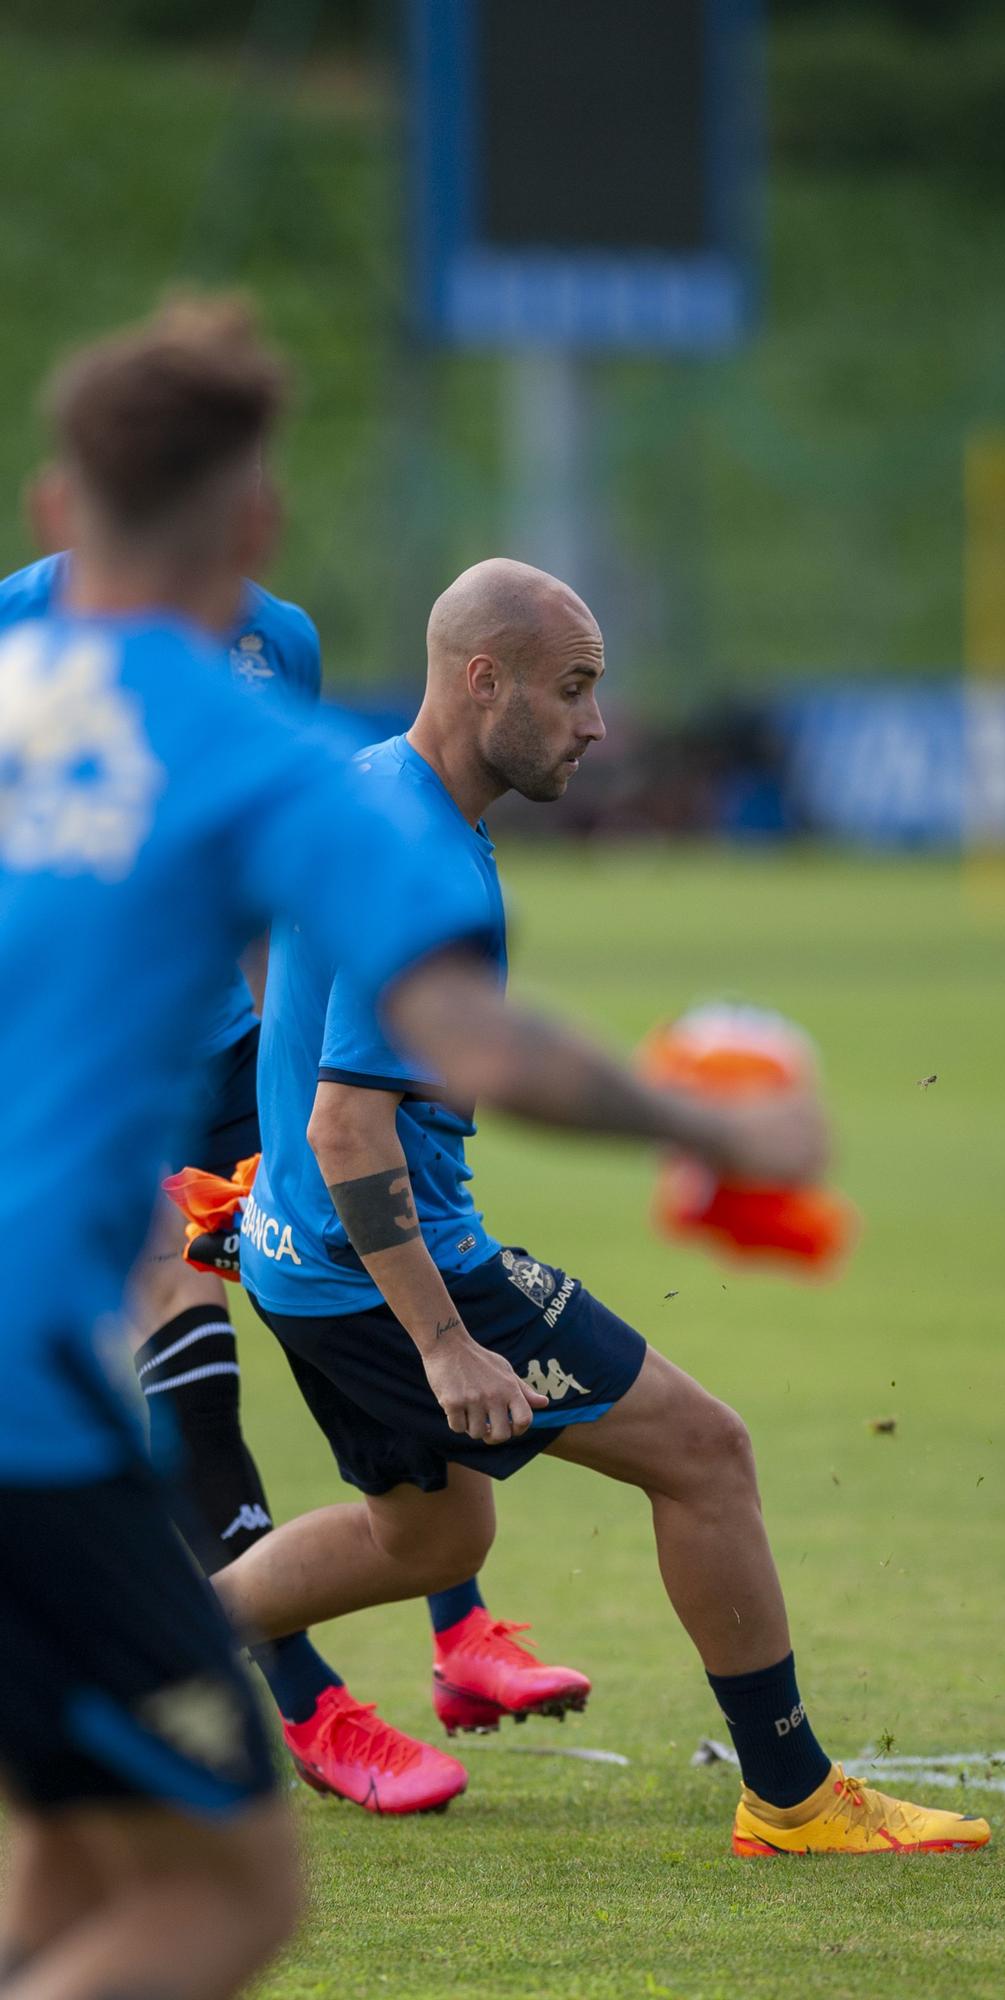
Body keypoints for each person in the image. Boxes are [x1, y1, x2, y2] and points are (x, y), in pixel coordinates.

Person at [0, 295, 828, 2000]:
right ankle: (793, 1791)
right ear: (256, 526)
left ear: (54, 510)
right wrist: (722, 1123)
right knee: (218, 1900)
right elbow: (457, 1045)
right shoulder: (259, 752)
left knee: (81, 1852)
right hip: (38, 1400)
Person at [225, 557, 993, 1859]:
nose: (595, 725)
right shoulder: (431, 863)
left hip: (304, 1257)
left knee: (428, 1537)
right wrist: (442, 1339)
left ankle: (102, 1660)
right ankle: (792, 1795)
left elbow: (277, 978)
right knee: (704, 1453)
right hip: (390, 1264)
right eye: (572, 690)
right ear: (484, 682)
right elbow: (348, 1122)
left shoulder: (359, 790)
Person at [0, 551, 590, 1821]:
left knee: (361, 1295)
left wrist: (301, 1072)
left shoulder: (278, 635)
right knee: (192, 1358)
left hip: (238, 1050)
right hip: (97, 1063)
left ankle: (459, 1624)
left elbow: (275, 869)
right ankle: (308, 1702)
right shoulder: (29, 621)